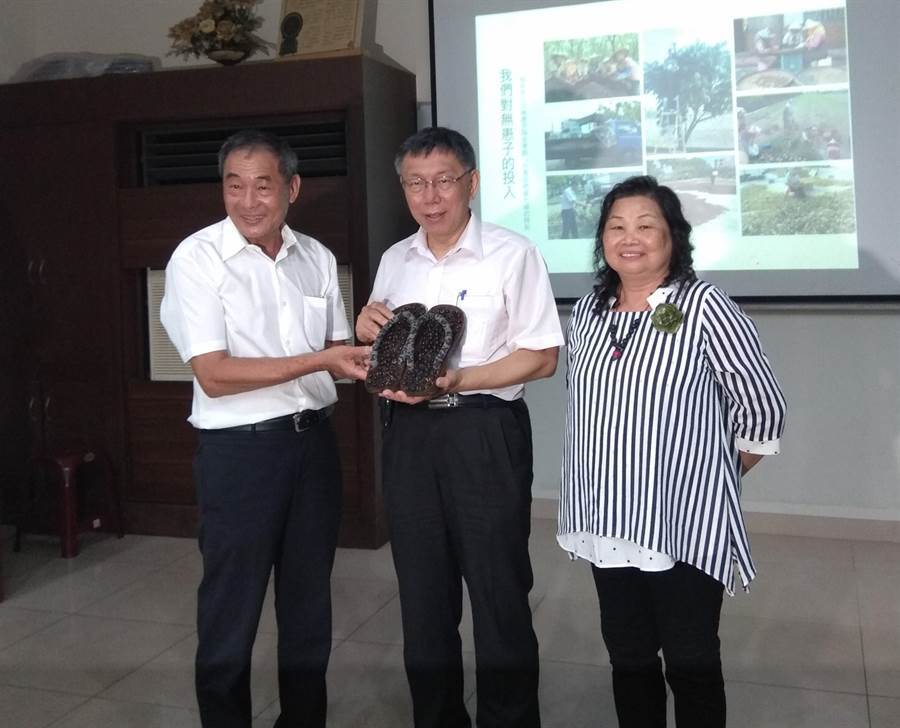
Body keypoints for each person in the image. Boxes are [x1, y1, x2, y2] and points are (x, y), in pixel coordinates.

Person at [558, 175, 785, 728]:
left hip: (683, 522)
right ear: (602, 239)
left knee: (691, 660)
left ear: (672, 236)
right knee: (629, 656)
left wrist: (711, 477)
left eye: (645, 225)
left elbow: (762, 407)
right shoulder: (588, 311)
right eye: (616, 226)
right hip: (606, 519)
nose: (629, 238)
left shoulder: (705, 305)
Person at [160, 129, 370, 728]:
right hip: (240, 455)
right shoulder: (197, 258)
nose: (248, 201)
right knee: (231, 610)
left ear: (292, 188)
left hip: (314, 447)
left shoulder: (317, 257)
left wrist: (381, 356)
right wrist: (322, 360)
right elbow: (214, 374)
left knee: (309, 606)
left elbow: (337, 351)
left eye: (263, 186)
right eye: (235, 186)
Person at [355, 126, 563, 728]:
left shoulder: (513, 253)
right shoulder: (396, 259)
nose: (430, 196)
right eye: (415, 184)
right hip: (408, 435)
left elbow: (542, 357)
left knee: (499, 594)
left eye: (443, 180)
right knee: (423, 597)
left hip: (483, 431)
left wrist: (460, 380)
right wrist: (368, 328)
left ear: (471, 183)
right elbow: (386, 350)